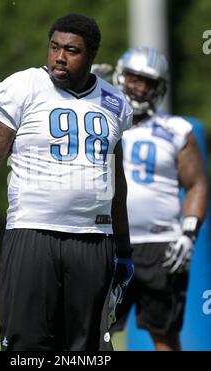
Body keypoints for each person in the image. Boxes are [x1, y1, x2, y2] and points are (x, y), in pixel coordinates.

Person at [0, 13, 134, 351]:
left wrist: (123, 248)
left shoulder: (115, 103)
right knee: (26, 347)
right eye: (54, 47)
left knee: (87, 350)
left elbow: (116, 180)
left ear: (91, 55)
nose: (59, 57)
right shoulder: (21, 87)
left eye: (71, 50)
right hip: (32, 233)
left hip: (94, 240)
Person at [92, 47, 208, 351]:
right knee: (95, 330)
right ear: (120, 76)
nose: (140, 87)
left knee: (164, 334)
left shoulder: (176, 130)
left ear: (160, 88)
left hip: (161, 244)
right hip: (109, 241)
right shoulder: (100, 120)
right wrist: (86, 90)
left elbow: (196, 185)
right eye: (134, 78)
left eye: (149, 82)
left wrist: (188, 235)